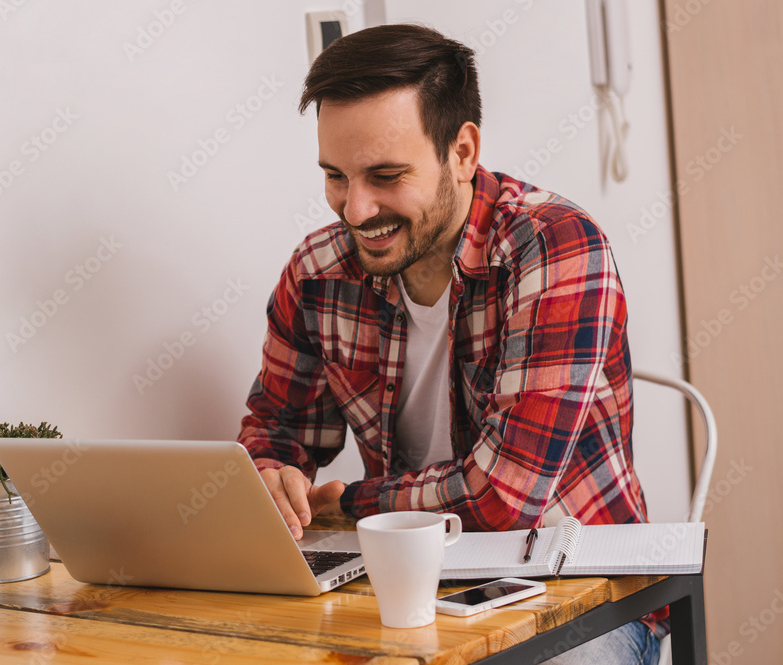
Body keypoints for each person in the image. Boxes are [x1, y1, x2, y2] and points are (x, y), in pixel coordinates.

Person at [237, 23, 662, 664]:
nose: (354, 210)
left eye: (385, 175)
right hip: (403, 582)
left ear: (462, 152)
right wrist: (272, 476)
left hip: (575, 593)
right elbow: (274, 428)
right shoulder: (318, 272)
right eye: (335, 176)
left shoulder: (555, 247)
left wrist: (349, 501)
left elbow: (503, 499)